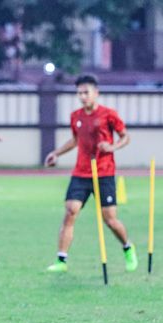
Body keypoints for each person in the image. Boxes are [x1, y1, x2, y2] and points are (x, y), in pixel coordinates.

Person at [44, 74, 137, 272]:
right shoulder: (76, 116)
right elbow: (75, 140)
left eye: (86, 92)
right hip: (81, 172)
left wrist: (112, 147)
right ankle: (61, 261)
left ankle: (128, 248)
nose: (83, 96)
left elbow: (125, 137)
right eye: (79, 93)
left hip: (104, 172)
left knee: (109, 219)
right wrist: (56, 153)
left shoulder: (108, 114)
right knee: (70, 211)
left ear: (96, 93)